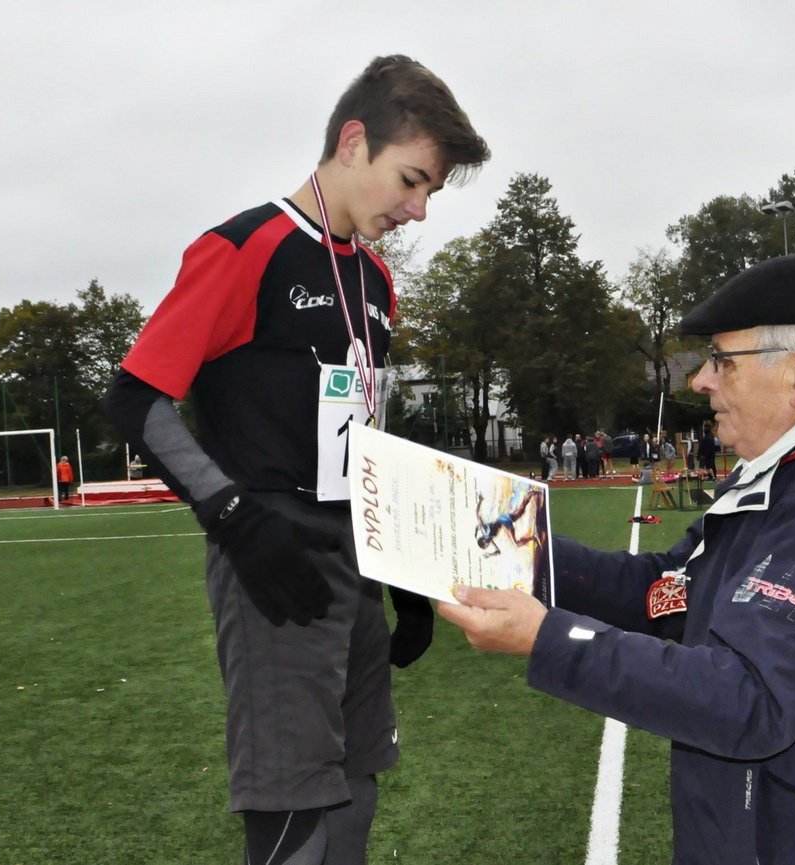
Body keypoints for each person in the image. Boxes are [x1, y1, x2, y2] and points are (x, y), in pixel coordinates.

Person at [439, 252, 795, 864]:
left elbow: (752, 698)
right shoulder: (790, 481)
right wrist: (521, 551)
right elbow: (669, 591)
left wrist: (550, 640)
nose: (700, 381)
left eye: (721, 361)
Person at [103, 56, 488, 865]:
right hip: (270, 563)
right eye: (411, 180)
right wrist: (235, 517)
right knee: (291, 799)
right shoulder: (247, 247)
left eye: (431, 193)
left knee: (359, 772)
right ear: (354, 142)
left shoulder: (376, 277)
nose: (419, 209)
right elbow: (136, 396)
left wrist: (404, 575)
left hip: (353, 564)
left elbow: (362, 437)